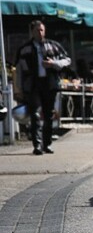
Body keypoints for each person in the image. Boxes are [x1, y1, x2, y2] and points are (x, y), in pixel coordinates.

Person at [15, 20, 71, 155]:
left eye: (42, 30)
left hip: (50, 84)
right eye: (37, 30)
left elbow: (67, 60)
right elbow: (18, 70)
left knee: (48, 115)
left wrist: (54, 63)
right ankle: (37, 145)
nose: (40, 33)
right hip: (33, 85)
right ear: (32, 32)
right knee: (35, 115)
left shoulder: (53, 45)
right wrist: (19, 89)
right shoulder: (25, 49)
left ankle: (47, 144)